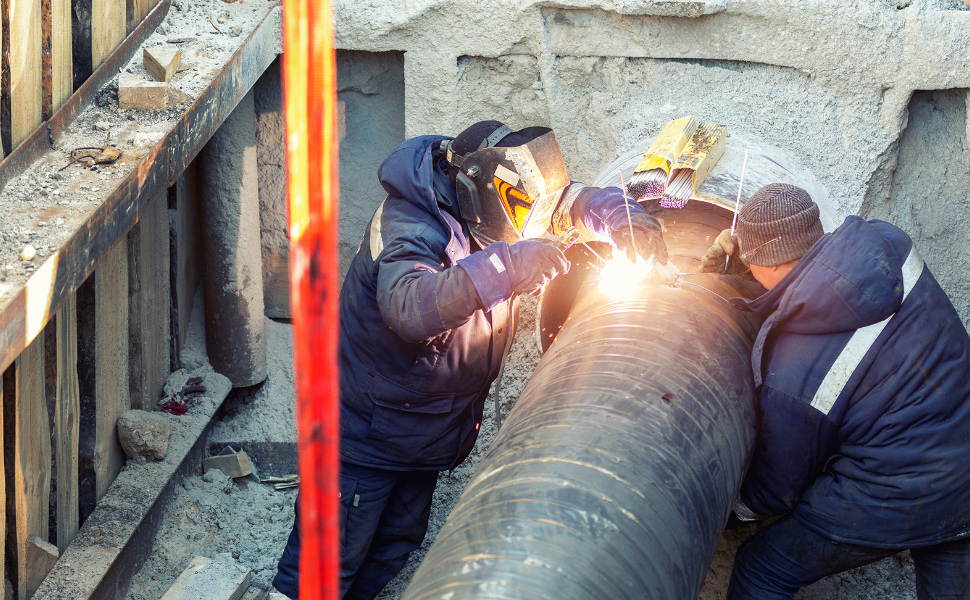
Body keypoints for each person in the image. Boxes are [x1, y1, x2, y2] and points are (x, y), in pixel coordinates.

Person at [272, 120, 674, 599]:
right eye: (527, 215)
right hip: (366, 433)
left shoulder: (497, 199)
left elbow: (568, 203)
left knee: (393, 546)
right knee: (325, 565)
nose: (537, 224)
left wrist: (619, 216)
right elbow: (408, 307)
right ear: (478, 191)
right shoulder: (411, 224)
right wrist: (507, 266)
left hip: (423, 433)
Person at [700, 183, 970, 599]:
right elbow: (820, 284)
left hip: (896, 491)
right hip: (963, 463)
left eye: (751, 258)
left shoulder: (795, 369)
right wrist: (748, 273)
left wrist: (722, 514)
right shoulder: (888, 243)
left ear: (768, 260)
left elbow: (776, 490)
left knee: (762, 570)